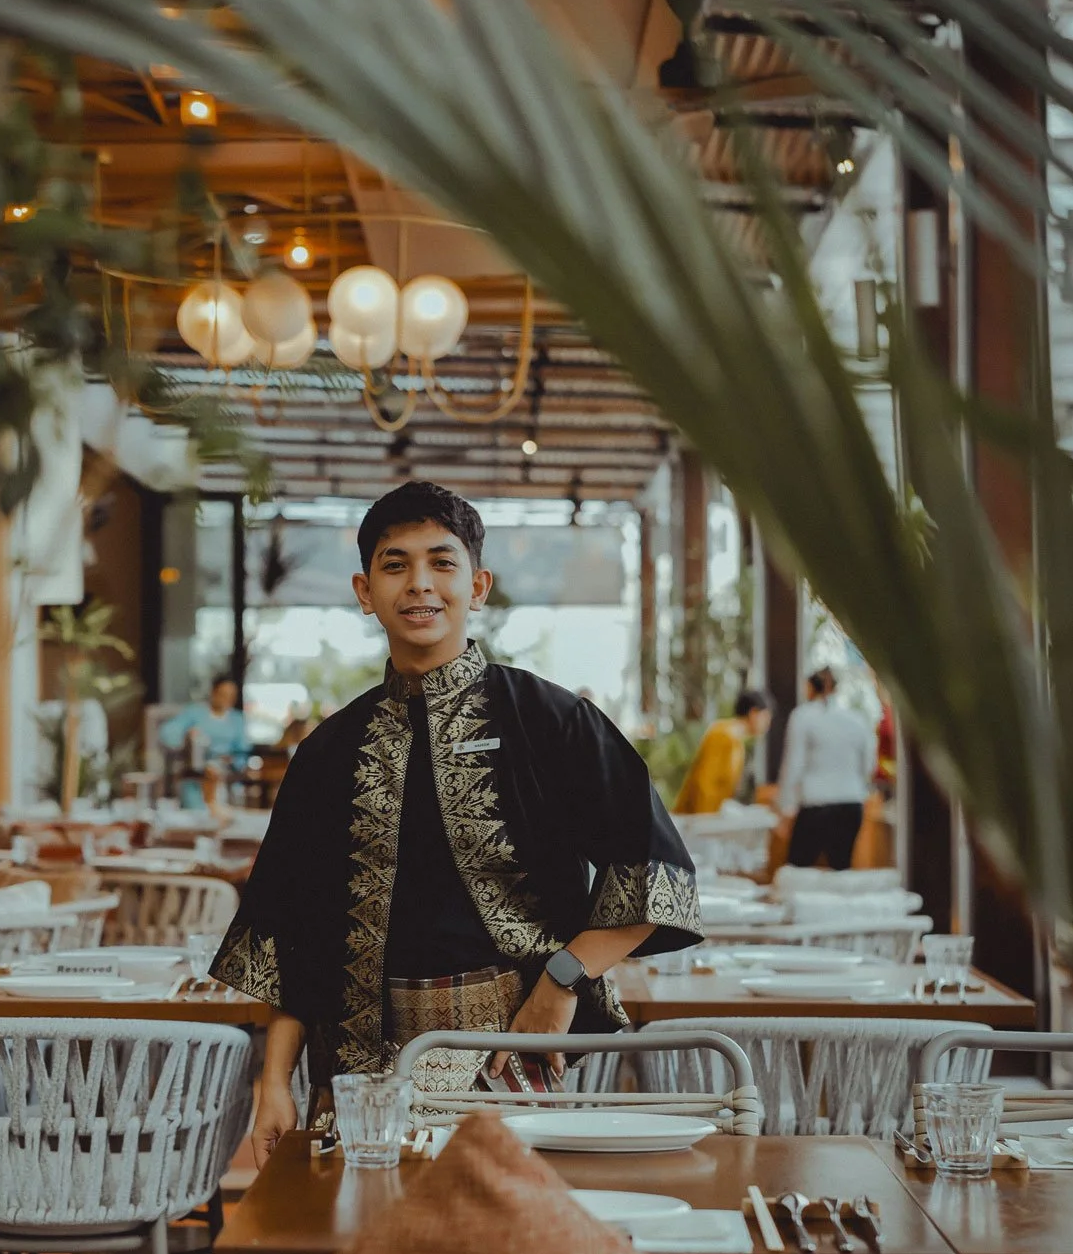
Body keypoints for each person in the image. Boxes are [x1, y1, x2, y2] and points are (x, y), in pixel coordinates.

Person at [212, 482, 703, 1168]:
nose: (419, 585)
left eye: (441, 563)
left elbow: (656, 874)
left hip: (513, 1050)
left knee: (505, 1253)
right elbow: (292, 930)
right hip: (358, 1072)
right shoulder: (327, 752)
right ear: (363, 590)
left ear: (478, 586)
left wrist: (562, 982)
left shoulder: (550, 721)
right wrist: (272, 1083)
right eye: (394, 565)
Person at [776, 667, 874, 870]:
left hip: (816, 803)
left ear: (811, 687)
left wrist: (785, 807)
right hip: (851, 802)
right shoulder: (857, 719)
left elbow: (794, 764)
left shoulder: (803, 716)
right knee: (840, 869)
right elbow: (868, 766)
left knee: (797, 871)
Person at [673, 689, 773, 814]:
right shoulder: (723, 734)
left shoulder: (737, 743)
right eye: (766, 717)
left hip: (711, 819)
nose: (768, 724)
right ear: (753, 713)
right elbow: (704, 784)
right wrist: (705, 823)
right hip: (697, 820)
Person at [159, 673, 250, 806]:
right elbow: (168, 733)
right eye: (223, 694)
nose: (226, 700)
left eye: (231, 696)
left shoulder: (237, 720)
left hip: (223, 778)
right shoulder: (195, 713)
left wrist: (232, 761)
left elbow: (242, 751)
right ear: (213, 692)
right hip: (196, 778)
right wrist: (186, 736)